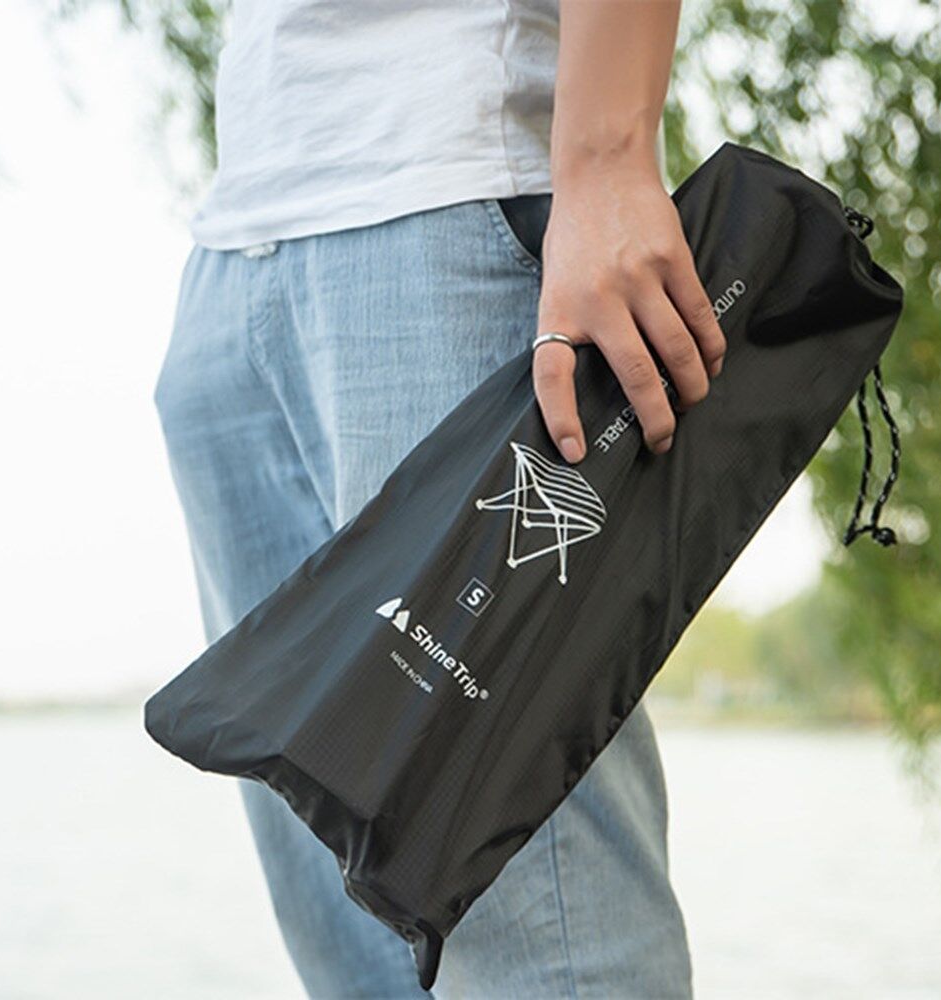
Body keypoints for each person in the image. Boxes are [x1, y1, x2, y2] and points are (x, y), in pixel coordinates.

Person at [154, 1, 724, 996]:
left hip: (454, 197)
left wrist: (606, 158)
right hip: (239, 244)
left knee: (537, 931)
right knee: (349, 936)